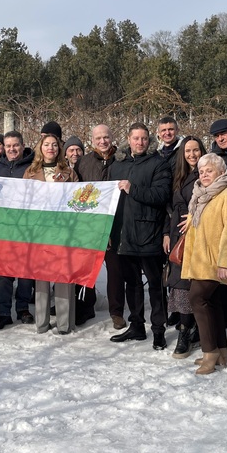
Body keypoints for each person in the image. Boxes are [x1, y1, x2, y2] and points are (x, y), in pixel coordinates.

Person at [109, 123, 173, 349]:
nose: (139, 142)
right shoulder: (117, 165)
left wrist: (132, 188)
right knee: (132, 284)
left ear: (149, 140)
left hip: (149, 235)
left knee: (156, 285)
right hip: (123, 236)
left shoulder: (159, 164)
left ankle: (158, 329)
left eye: (144, 138)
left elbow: (161, 194)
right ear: (128, 139)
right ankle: (136, 325)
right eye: (135, 138)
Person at [181, 153, 227, 374]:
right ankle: (221, 352)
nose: (205, 175)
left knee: (197, 298)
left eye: (210, 170)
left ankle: (210, 353)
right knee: (213, 303)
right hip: (200, 261)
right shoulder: (200, 197)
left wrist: (226, 262)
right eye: (201, 171)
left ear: (221, 172)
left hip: (215, 262)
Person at [23, 133, 79, 335]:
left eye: (55, 145)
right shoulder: (30, 172)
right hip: (39, 231)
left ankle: (64, 324)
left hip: (63, 231)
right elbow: (23, 200)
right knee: (41, 277)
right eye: (47, 144)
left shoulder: (69, 172)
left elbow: (77, 201)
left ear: (59, 149)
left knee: (63, 276)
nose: (51, 148)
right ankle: (42, 322)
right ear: (40, 147)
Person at [75, 124, 126, 330]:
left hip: (115, 223)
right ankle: (86, 307)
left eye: (106, 137)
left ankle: (117, 311)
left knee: (115, 270)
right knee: (85, 269)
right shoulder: (83, 163)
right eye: (98, 138)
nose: (103, 141)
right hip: (90, 224)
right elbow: (76, 190)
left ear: (112, 137)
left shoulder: (122, 160)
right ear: (92, 140)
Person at [0, 130, 36, 328]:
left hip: (27, 227)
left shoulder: (33, 168)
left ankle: (22, 308)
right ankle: (3, 311)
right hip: (4, 228)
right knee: (4, 272)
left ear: (22, 146)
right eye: (8, 146)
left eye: (15, 145)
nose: (12, 149)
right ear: (4, 148)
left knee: (25, 272)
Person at [164, 136, 205, 357]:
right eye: (188, 151)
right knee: (178, 284)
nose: (192, 155)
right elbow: (168, 208)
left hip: (196, 235)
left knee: (188, 286)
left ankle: (187, 330)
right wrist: (165, 234)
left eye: (196, 150)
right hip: (176, 234)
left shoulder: (206, 173)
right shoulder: (178, 176)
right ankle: (188, 326)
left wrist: (195, 215)